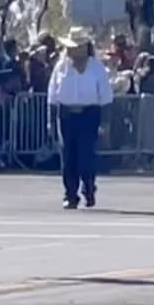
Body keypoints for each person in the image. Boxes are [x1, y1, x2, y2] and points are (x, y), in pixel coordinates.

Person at [48, 26, 114, 209]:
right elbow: (52, 96)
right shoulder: (61, 68)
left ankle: (89, 187)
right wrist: (51, 121)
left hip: (89, 115)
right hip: (66, 115)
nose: (74, 50)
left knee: (86, 156)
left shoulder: (97, 68)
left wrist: (105, 123)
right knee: (68, 157)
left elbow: (106, 97)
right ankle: (70, 194)